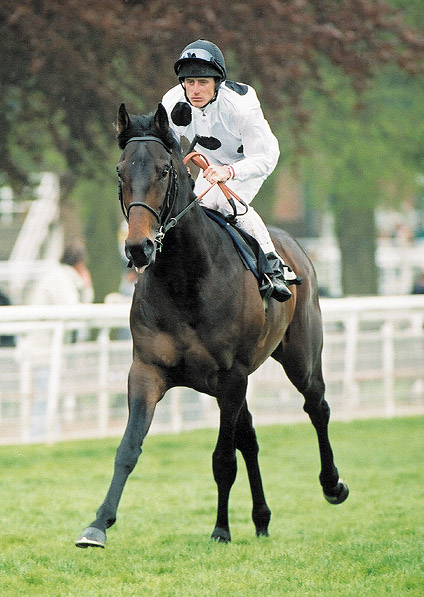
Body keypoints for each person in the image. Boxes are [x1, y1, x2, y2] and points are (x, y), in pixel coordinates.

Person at [161, 39, 301, 302]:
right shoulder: (172, 102)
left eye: (202, 82)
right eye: (189, 82)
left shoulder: (240, 107)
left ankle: (273, 266)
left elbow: (263, 158)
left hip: (251, 161)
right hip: (213, 163)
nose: (194, 90)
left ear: (217, 82)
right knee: (188, 211)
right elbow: (167, 144)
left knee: (225, 206)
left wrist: (230, 172)